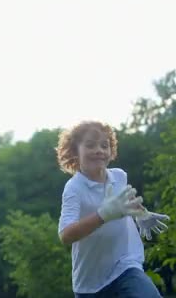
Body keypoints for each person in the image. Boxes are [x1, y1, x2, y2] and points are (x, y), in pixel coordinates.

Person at [57, 120, 169, 297]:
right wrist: (103, 215)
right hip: (90, 283)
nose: (99, 150)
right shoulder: (74, 188)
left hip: (125, 265)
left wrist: (142, 214)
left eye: (104, 145)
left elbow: (126, 201)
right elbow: (65, 235)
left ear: (111, 151)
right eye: (90, 145)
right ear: (74, 152)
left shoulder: (119, 176)